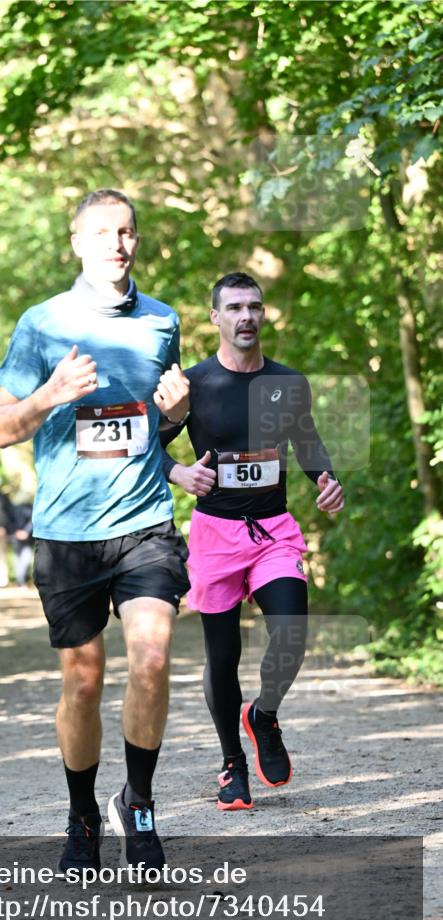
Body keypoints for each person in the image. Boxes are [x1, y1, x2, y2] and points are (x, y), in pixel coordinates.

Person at [0, 189, 190, 874]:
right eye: (103, 232)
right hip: (67, 534)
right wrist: (50, 394)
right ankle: (81, 815)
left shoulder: (162, 321)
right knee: (81, 682)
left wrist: (177, 411)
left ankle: (137, 803)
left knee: (153, 659)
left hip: (144, 525)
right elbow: (1, 429)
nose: (117, 243)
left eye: (127, 231)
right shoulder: (42, 324)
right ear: (76, 242)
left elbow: (155, 426)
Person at [161, 272, 344, 812]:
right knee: (223, 654)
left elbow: (307, 440)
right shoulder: (193, 385)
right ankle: (231, 764)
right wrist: (178, 474)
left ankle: (263, 716)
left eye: (255, 307)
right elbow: (150, 447)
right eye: (235, 307)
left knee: (291, 635)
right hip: (216, 535)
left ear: (264, 315)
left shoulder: (289, 383)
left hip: (274, 532)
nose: (247, 316)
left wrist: (325, 478)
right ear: (215, 317)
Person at [10, 493, 34, 587]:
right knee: (20, 558)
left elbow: (32, 521)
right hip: (19, 537)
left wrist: (25, 532)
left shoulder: (15, 508)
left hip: (24, 537)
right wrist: (21, 532)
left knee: (23, 558)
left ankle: (21, 580)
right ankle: (20, 580)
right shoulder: (16, 508)